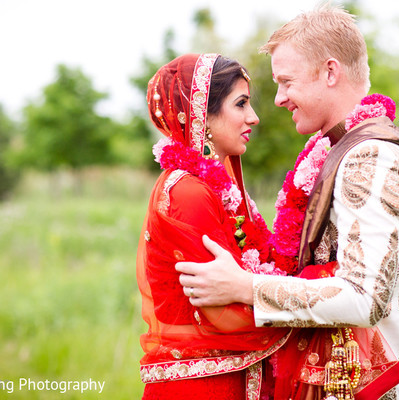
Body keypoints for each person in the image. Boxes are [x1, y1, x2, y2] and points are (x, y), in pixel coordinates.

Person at [176, 4, 399, 400]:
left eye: (286, 82)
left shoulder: (371, 157)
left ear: (330, 72)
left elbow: (366, 298)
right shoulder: (345, 150)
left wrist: (247, 287)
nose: (278, 99)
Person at [136, 53, 292, 400]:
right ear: (202, 116)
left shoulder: (219, 188)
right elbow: (222, 315)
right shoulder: (190, 192)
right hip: (203, 387)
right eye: (241, 104)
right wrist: (314, 306)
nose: (254, 117)